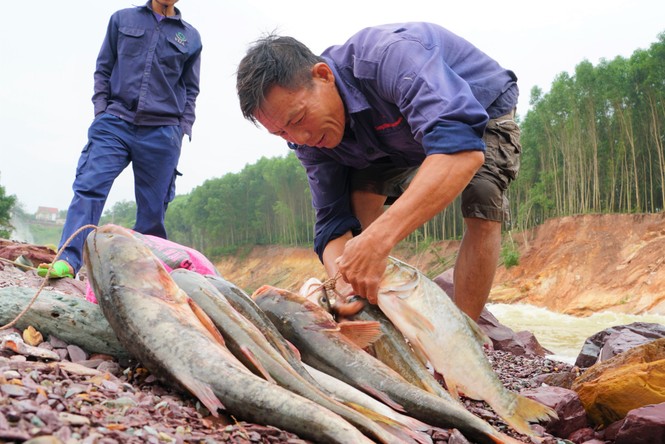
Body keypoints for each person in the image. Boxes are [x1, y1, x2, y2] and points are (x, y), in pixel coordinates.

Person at [236, 22, 520, 320]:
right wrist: (344, 281)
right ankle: (378, 315)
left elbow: (460, 151)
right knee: (358, 207)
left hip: (477, 108)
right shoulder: (308, 140)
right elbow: (332, 220)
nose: (300, 139)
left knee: (482, 198)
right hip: (387, 139)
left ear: (323, 75)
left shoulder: (390, 58)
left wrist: (378, 240)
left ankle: (464, 334)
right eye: (281, 133)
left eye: (298, 119)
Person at [38, 0, 202, 279]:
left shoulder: (190, 37)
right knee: (89, 187)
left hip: (162, 131)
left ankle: (143, 278)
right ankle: (67, 261)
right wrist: (101, 112)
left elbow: (190, 88)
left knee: (152, 212)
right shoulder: (122, 19)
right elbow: (103, 68)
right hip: (115, 122)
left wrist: (181, 129)